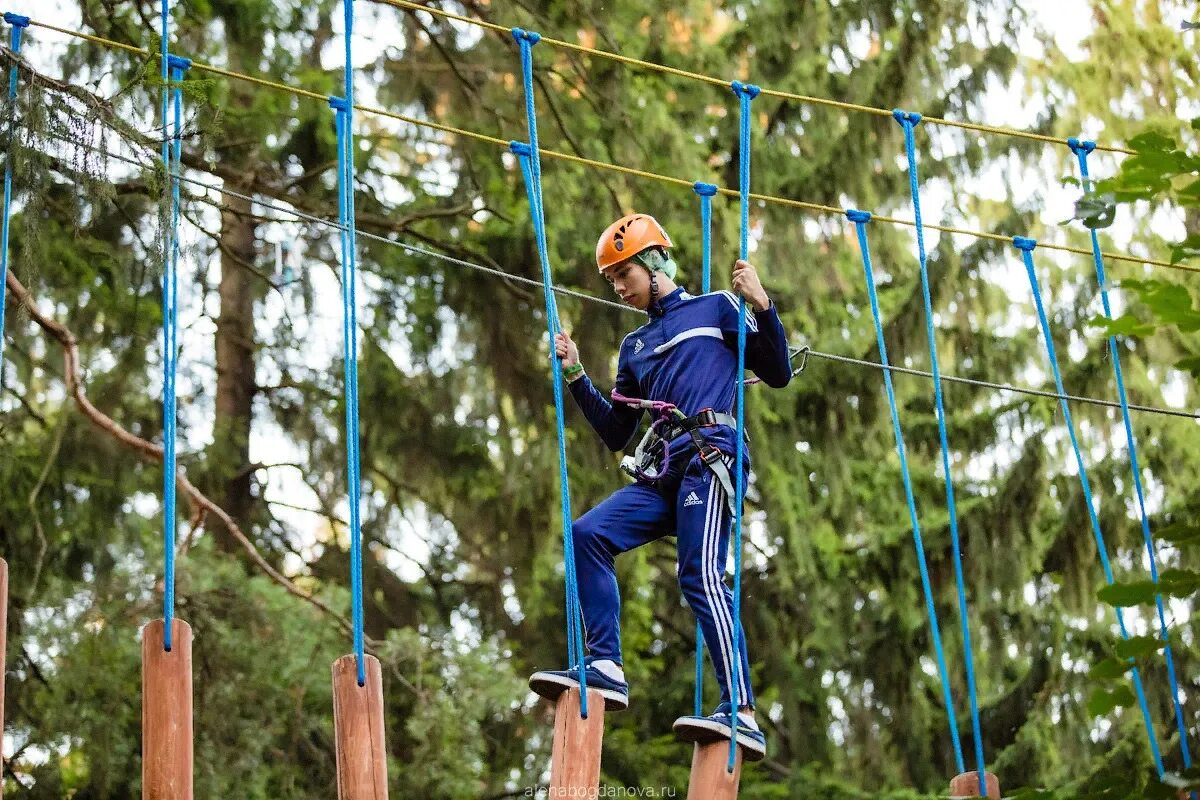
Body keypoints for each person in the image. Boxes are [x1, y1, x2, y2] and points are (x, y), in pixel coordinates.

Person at [528, 213, 792, 761]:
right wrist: (577, 376)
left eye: (623, 274)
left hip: (712, 455)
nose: (619, 288)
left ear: (651, 264)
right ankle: (605, 665)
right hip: (666, 467)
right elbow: (616, 431)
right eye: (612, 280)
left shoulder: (715, 309)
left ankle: (740, 709)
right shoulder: (634, 347)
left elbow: (777, 369)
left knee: (698, 574)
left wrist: (762, 306)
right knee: (587, 535)